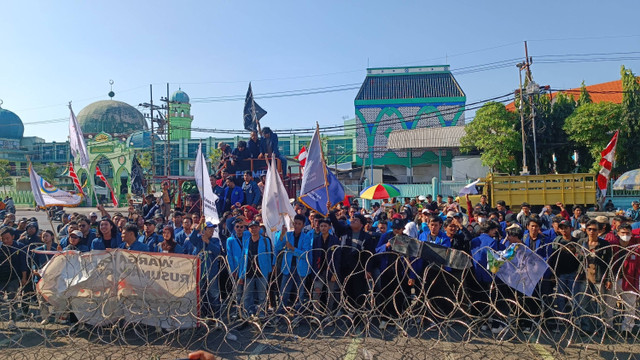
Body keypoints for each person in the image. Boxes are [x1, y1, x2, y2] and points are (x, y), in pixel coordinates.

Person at [328, 208, 376, 319]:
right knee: (345, 290)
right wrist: (330, 212)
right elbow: (335, 223)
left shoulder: (366, 237)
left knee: (358, 291)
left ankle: (358, 314)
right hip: (345, 266)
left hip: (359, 268)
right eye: (353, 219)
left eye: (356, 220)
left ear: (361, 224)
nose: (353, 220)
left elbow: (370, 255)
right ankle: (346, 311)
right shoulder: (344, 231)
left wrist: (368, 270)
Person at [375, 218, 411, 330]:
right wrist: (386, 245)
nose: (396, 231)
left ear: (403, 229)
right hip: (386, 270)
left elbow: (412, 255)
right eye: (395, 228)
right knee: (385, 294)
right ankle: (384, 319)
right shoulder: (386, 236)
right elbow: (377, 250)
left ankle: (397, 318)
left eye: (399, 229)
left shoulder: (407, 239)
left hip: (400, 271)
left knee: (399, 295)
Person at [275, 214, 313, 316]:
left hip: (300, 268)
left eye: (299, 224)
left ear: (303, 225)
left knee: (300, 291)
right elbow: (278, 247)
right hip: (288, 266)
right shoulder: (289, 235)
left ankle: (298, 312)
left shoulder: (306, 237)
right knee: (284, 290)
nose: (296, 225)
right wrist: (282, 235)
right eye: (295, 223)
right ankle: (281, 311)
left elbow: (305, 254)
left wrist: (293, 248)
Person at [187, 218, 223, 320]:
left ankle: (216, 317)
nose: (211, 231)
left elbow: (217, 251)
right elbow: (191, 238)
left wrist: (208, 242)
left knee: (214, 296)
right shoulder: (198, 240)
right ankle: (203, 316)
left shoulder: (215, 240)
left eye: (212, 229)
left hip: (212, 274)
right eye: (209, 229)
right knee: (201, 296)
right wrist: (199, 225)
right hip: (200, 273)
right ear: (204, 230)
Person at [238, 220, 274, 320]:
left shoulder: (266, 241)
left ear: (259, 228)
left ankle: (262, 314)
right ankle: (247, 313)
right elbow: (243, 258)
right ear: (249, 229)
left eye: (255, 227)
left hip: (262, 271)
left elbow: (270, 255)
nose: (253, 229)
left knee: (262, 295)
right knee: (247, 295)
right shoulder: (246, 241)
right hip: (248, 271)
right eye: (251, 227)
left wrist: (270, 270)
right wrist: (241, 275)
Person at [310, 218, 340, 317]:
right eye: (321, 226)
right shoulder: (316, 240)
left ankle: (328, 314)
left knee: (330, 294)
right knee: (316, 292)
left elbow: (337, 258)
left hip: (330, 270)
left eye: (325, 226)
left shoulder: (335, 240)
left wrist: (335, 273)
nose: (323, 228)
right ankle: (316, 314)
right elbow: (314, 256)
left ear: (329, 227)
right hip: (319, 270)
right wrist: (314, 272)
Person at [0, 227, 28, 330]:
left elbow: (23, 264)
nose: (6, 241)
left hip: (13, 278)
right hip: (1, 277)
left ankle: (12, 320)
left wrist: (24, 278)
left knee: (13, 298)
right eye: (3, 239)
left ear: (13, 237)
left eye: (7, 238)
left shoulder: (19, 247)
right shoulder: (1, 247)